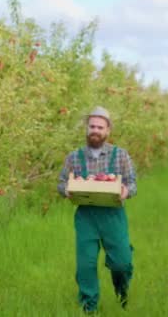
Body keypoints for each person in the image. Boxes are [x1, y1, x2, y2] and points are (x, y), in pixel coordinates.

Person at [57, 106, 137, 314]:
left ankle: (122, 292)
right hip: (86, 216)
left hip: (113, 216)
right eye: (92, 126)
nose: (95, 130)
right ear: (87, 128)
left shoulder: (120, 156)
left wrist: (124, 191)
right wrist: (66, 190)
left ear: (108, 130)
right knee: (86, 265)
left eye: (100, 127)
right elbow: (61, 183)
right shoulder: (74, 157)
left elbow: (132, 184)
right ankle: (88, 307)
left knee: (121, 263)